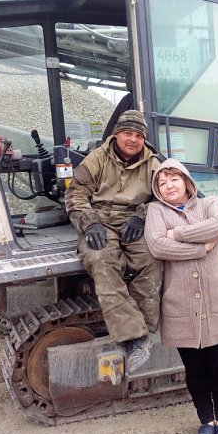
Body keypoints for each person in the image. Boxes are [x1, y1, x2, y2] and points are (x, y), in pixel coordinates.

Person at [144, 158, 218, 434]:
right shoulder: (155, 211)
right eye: (162, 182)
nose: (169, 186)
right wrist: (202, 247)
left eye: (174, 179)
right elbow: (157, 245)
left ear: (186, 181)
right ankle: (206, 421)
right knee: (194, 369)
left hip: (215, 298)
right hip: (180, 304)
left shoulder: (210, 204)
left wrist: (177, 234)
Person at [65, 110, 163, 372]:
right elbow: (76, 194)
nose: (133, 139)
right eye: (127, 133)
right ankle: (133, 336)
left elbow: (164, 197)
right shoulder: (97, 158)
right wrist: (90, 223)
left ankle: (144, 332)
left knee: (152, 260)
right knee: (102, 260)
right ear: (116, 134)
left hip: (134, 222)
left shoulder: (153, 164)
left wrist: (142, 216)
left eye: (138, 135)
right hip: (100, 220)